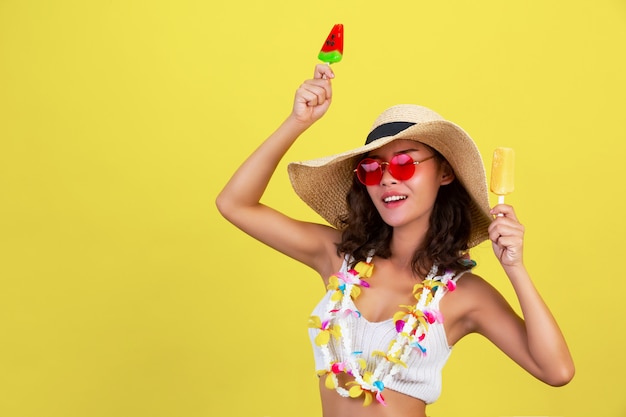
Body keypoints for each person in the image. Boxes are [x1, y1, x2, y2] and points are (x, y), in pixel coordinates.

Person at [215, 64, 574, 417]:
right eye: (372, 168)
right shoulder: (339, 258)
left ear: (444, 172)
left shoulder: (464, 295)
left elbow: (556, 371)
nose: (387, 179)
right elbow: (235, 204)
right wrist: (298, 122)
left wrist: (515, 268)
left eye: (405, 164)